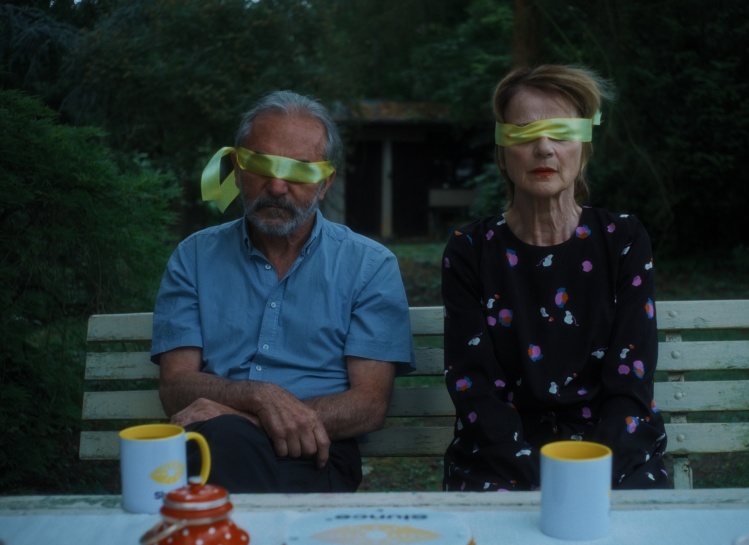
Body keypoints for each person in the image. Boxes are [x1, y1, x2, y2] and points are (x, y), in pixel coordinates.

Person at [151, 90, 415, 493]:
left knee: (224, 444)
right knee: (222, 444)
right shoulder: (194, 257)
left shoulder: (369, 265)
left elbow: (369, 405)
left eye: (299, 170)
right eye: (261, 164)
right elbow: (175, 387)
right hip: (214, 444)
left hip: (317, 449)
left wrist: (250, 416)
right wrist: (258, 395)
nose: (276, 186)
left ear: (324, 183)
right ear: (236, 169)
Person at [442, 65, 668, 492]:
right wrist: (534, 473)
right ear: (502, 151)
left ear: (584, 147)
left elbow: (630, 379)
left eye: (562, 133)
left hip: (613, 451)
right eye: (525, 133)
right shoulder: (469, 249)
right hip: (499, 456)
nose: (544, 148)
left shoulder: (623, 239)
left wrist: (589, 472)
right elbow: (475, 386)